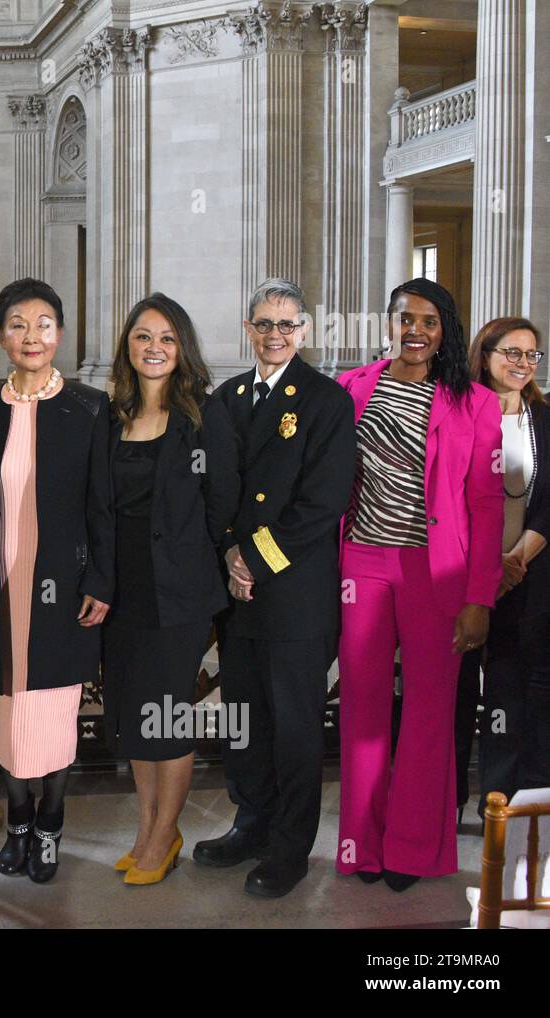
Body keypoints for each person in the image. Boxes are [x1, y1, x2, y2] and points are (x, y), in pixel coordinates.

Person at [335, 278, 503, 891]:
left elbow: (485, 507)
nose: (415, 330)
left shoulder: (474, 402)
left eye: (428, 321)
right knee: (362, 709)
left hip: (438, 574)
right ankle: (362, 846)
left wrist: (479, 599)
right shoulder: (353, 387)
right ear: (388, 323)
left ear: (444, 330)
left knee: (430, 713)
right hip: (363, 564)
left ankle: (411, 849)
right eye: (404, 318)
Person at [193, 278, 356, 898]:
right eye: (264, 324)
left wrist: (252, 560)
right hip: (239, 591)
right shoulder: (227, 397)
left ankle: (290, 847)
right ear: (247, 329)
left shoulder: (325, 401)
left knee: (293, 727)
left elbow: (323, 503)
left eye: (287, 325)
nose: (275, 335)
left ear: (305, 331)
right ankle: (251, 822)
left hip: (293, 592)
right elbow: (214, 489)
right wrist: (229, 555)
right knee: (245, 719)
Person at [0, 278, 113, 884]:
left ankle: (51, 822)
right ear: (1, 335)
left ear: (60, 332)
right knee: (9, 711)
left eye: (44, 323)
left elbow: (102, 504)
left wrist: (102, 580)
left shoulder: (88, 407)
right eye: (18, 324)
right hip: (0, 588)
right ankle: (18, 821)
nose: (32, 336)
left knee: (55, 712)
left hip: (63, 587)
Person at [103, 294, 240, 886]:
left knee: (168, 717)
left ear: (181, 348)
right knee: (136, 717)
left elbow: (222, 508)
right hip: (119, 591)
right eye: (142, 336)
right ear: (127, 347)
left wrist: (200, 568)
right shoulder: (111, 417)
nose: (153, 347)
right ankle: (148, 825)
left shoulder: (204, 420)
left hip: (178, 593)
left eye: (166, 337)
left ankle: (165, 832)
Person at [461, 318, 548, 813]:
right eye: (510, 352)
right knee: (455, 694)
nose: (521, 364)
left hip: (527, 575)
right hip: (463, 574)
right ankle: (447, 801)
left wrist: (514, 560)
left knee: (510, 695)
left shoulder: (545, 420)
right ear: (486, 353)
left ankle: (504, 801)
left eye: (531, 355)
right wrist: (484, 566)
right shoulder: (457, 413)